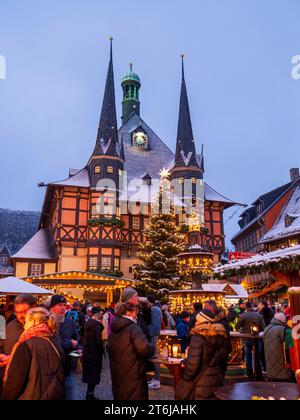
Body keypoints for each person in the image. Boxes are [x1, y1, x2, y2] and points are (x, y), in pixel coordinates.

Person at [2, 307, 65, 400]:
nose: (24, 326)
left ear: (33, 322)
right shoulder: (53, 341)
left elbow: (14, 384)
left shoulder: (26, 345)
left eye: (26, 322)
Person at [176, 310, 231, 400]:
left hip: (200, 384)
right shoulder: (222, 335)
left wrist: (185, 377)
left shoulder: (198, 338)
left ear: (201, 321)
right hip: (216, 380)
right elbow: (223, 359)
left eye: (197, 320)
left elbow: (193, 365)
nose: (196, 322)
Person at [109, 302, 154, 400]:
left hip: (118, 371)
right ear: (129, 313)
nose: (136, 316)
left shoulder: (114, 328)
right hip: (133, 372)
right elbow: (144, 348)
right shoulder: (133, 328)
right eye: (135, 313)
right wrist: (152, 346)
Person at [49, 295, 80, 400]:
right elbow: (51, 344)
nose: (63, 308)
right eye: (59, 305)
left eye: (64, 305)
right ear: (51, 308)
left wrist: (77, 352)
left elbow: (78, 341)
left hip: (67, 372)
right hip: (51, 375)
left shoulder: (69, 322)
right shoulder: (46, 323)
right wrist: (70, 344)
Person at [236, 301, 266, 380]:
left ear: (246, 307)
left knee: (248, 355)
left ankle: (250, 374)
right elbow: (264, 328)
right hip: (257, 338)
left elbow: (237, 326)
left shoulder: (243, 315)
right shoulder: (259, 316)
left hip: (247, 337)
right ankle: (258, 373)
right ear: (252, 306)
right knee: (258, 356)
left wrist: (242, 329)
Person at [82, 306, 104, 400]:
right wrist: (102, 351)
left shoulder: (89, 324)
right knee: (93, 376)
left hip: (88, 353)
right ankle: (90, 395)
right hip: (94, 355)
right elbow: (98, 342)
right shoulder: (97, 327)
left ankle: (89, 394)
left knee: (89, 375)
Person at [263, 312, 293, 382]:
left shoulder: (267, 328)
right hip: (280, 359)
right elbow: (289, 344)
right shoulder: (282, 329)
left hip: (270, 360)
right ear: (282, 321)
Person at [147, 295, 162, 389]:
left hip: (153, 335)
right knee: (154, 356)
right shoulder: (156, 308)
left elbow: (155, 325)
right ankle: (156, 378)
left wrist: (147, 330)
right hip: (154, 334)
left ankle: (157, 380)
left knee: (155, 357)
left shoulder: (154, 309)